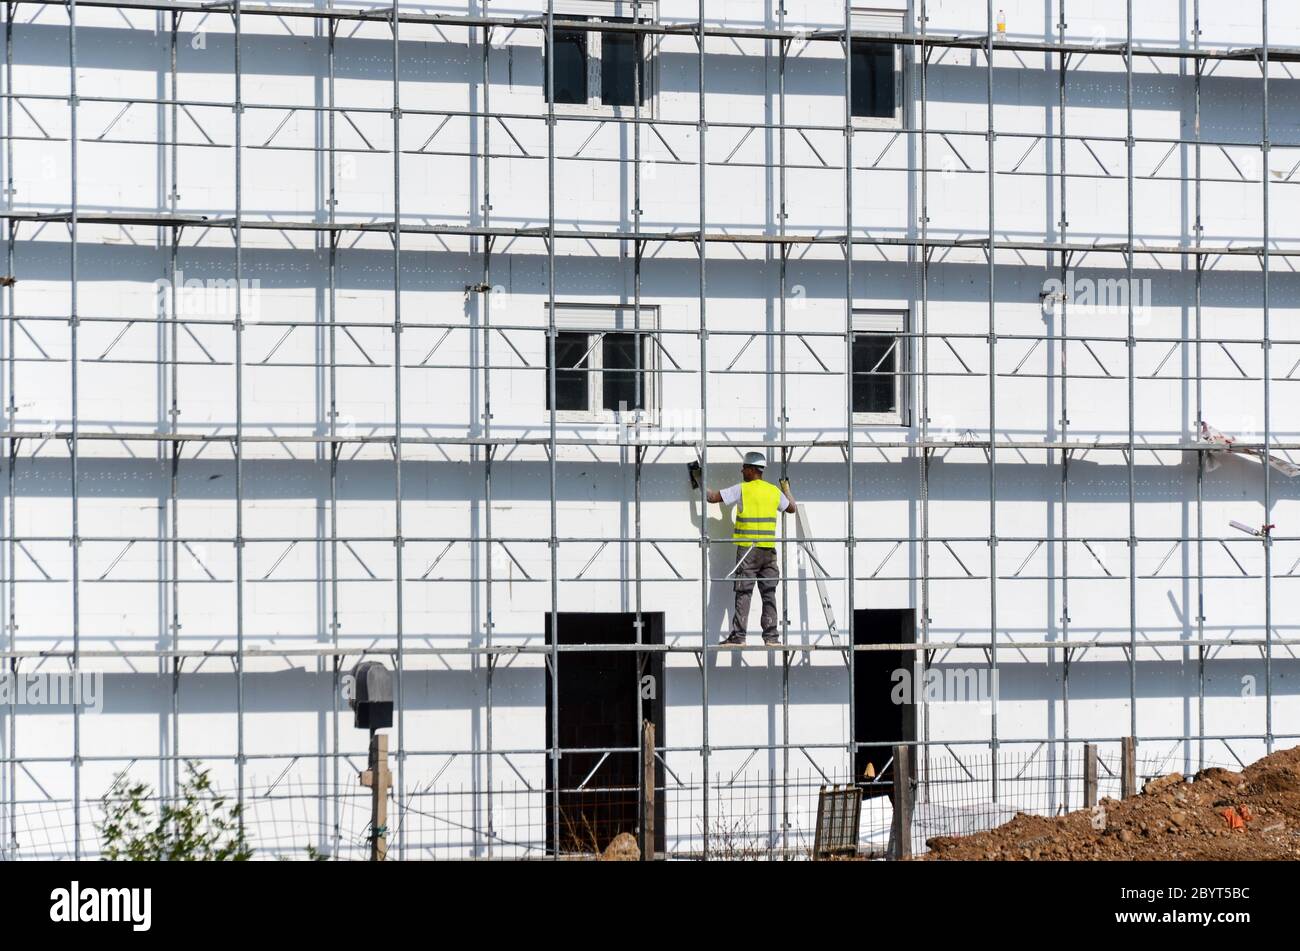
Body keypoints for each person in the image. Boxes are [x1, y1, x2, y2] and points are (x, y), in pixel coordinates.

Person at [705, 451, 796, 645]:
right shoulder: (773, 491)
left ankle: (738, 637)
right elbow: (791, 508)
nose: (741, 470)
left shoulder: (742, 489)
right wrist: (786, 488)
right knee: (769, 592)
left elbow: (712, 498)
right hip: (769, 551)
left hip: (747, 551)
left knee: (744, 592)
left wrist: (698, 480)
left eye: (744, 467)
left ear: (753, 470)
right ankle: (771, 637)